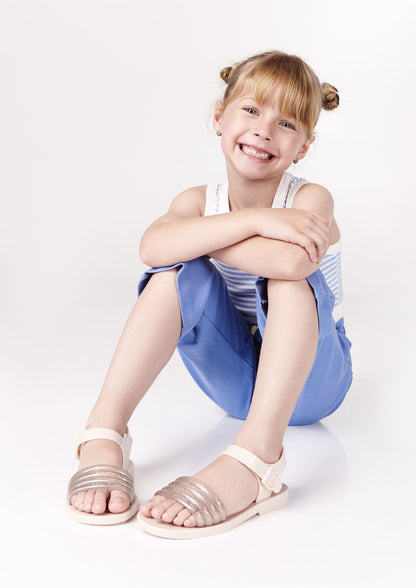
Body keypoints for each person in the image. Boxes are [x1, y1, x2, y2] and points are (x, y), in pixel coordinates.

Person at [66, 50, 353, 539]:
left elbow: (292, 261)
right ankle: (105, 432)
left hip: (312, 386)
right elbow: (151, 248)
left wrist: (204, 235)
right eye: (251, 110)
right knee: (177, 270)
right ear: (219, 119)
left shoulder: (309, 199)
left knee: (280, 277)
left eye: (286, 123)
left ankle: (258, 459)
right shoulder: (196, 201)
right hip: (235, 384)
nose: (264, 130)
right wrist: (259, 221)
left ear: (303, 147)